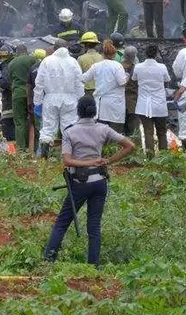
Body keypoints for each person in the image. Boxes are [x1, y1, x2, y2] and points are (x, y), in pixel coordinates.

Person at [43, 95, 135, 267]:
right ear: (94, 111)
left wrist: (88, 162)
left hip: (79, 183)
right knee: (94, 227)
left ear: (77, 111)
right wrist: (108, 160)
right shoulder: (103, 129)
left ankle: (48, 260)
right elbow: (130, 146)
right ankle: (93, 266)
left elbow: (68, 161)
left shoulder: (70, 132)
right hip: (100, 182)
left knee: (62, 223)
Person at [34, 39, 85, 158]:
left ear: (54, 48)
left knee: (48, 127)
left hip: (50, 98)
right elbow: (79, 82)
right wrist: (80, 98)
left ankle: (44, 155)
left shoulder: (47, 61)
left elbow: (39, 82)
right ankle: (70, 155)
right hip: (70, 99)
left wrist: (37, 101)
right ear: (67, 47)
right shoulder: (73, 61)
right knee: (70, 127)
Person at [81, 40, 127, 133]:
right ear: (114, 54)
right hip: (115, 103)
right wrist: (128, 76)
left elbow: (83, 78)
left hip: (101, 103)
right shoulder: (117, 66)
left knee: (101, 132)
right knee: (115, 133)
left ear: (102, 54)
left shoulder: (96, 66)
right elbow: (122, 83)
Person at [133, 44, 170, 157]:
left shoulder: (138, 67)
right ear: (156, 54)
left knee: (148, 131)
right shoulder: (162, 67)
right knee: (162, 132)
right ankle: (164, 158)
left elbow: (134, 79)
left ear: (145, 53)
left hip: (144, 105)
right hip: (159, 104)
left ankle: (150, 158)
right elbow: (167, 80)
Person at [8, 44, 38, 153]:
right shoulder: (32, 60)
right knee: (35, 121)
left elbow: (10, 81)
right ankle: (36, 147)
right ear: (26, 51)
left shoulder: (11, 63)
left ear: (17, 52)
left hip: (18, 94)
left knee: (20, 121)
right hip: (32, 94)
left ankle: (21, 149)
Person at [27, 48, 49, 155]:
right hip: (49, 100)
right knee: (49, 126)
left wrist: (29, 102)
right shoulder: (49, 67)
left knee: (38, 127)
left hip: (37, 102)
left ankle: (38, 151)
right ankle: (47, 151)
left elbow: (29, 87)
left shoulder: (32, 68)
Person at [0, 45, 17, 148]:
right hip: (18, 103)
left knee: (8, 130)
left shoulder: (6, 66)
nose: (2, 59)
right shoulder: (17, 66)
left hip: (9, 104)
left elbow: (4, 83)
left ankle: (12, 156)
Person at [121, 45, 141, 139]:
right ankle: (136, 151)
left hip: (119, 102)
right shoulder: (137, 69)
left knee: (121, 131)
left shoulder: (118, 67)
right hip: (133, 102)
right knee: (134, 131)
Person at [78, 32, 104, 97]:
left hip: (86, 91)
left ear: (84, 45)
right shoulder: (102, 57)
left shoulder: (81, 58)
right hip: (100, 90)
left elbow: (78, 76)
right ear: (96, 44)